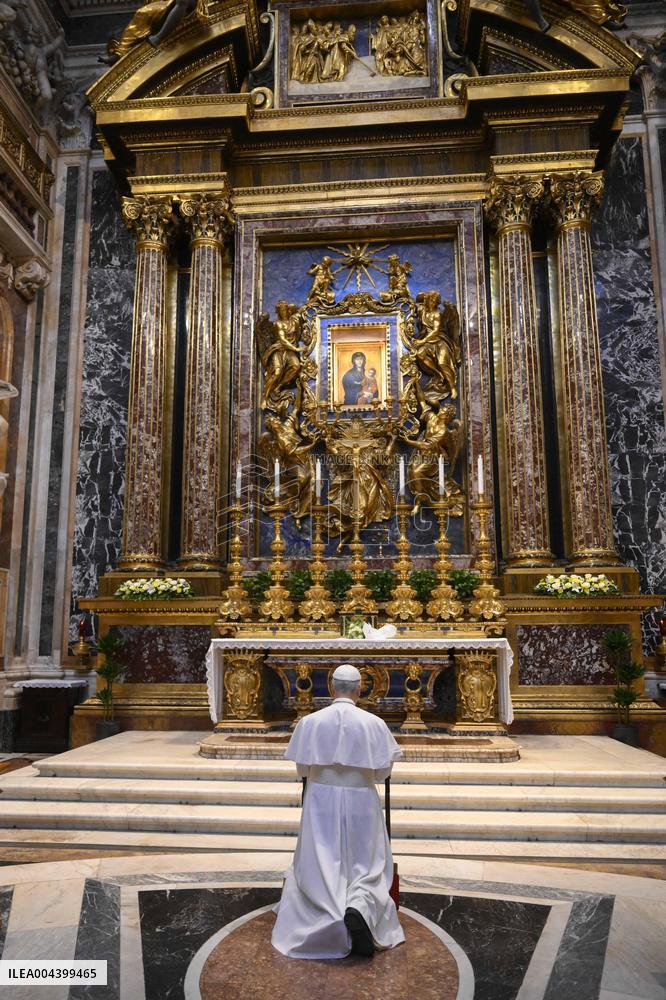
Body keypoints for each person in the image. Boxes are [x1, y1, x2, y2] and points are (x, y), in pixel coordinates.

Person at [271, 663, 405, 960]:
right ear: (360, 690)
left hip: (321, 798)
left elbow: (302, 768)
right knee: (365, 863)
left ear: (331, 688)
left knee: (321, 858)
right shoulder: (374, 723)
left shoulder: (310, 722)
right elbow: (383, 773)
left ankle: (325, 911)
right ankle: (360, 905)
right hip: (361, 799)